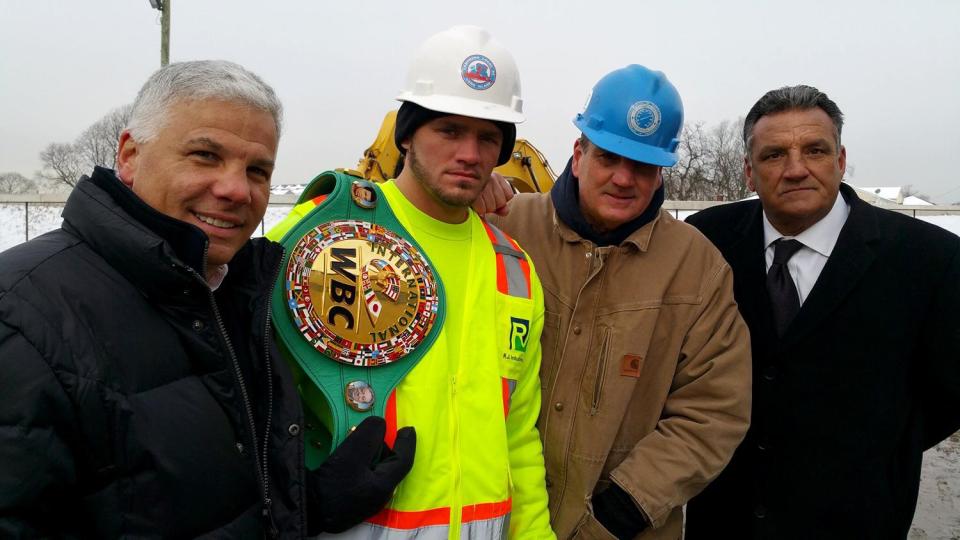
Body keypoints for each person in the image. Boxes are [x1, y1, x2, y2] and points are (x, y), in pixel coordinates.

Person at [0, 60, 414, 538]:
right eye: (204, 156)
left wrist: (310, 505)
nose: (236, 190)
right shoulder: (21, 319)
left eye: (257, 170)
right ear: (130, 156)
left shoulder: (239, 298)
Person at [267, 26, 554, 538]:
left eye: (488, 136)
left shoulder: (515, 269)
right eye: (448, 130)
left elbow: (520, 435)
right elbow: (250, 386)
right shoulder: (331, 232)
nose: (470, 152)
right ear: (405, 134)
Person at [483, 64, 752, 539]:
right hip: (492, 517)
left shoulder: (698, 269)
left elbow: (714, 411)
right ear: (579, 153)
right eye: (609, 157)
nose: (624, 179)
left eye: (643, 166)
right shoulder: (502, 230)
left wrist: (623, 509)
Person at [684, 85, 960, 539]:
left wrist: (875, 454)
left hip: (855, 522)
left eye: (814, 150)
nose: (796, 170)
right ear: (749, 173)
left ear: (841, 160)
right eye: (774, 155)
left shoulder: (927, 259)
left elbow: (947, 394)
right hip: (725, 519)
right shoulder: (705, 242)